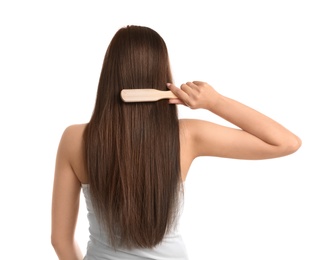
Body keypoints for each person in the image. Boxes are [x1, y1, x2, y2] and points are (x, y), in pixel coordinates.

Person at [51, 25, 301, 260]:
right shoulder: (188, 136)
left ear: (109, 75)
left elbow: (60, 241)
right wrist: (215, 102)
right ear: (161, 73)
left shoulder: (74, 139)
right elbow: (285, 143)